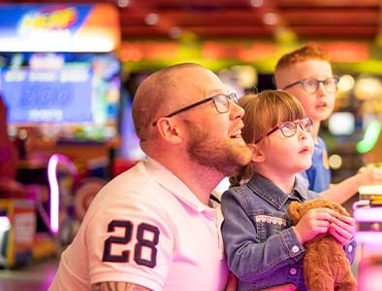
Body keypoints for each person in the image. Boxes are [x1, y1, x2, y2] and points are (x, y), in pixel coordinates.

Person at [49, 63, 251, 291]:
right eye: (219, 102)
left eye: (231, 98)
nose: (239, 110)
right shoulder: (137, 207)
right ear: (171, 130)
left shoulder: (213, 203)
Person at [221, 90, 356, 291]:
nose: (304, 134)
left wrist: (346, 241)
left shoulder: (316, 201)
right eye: (287, 127)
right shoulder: (239, 200)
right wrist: (297, 235)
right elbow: (241, 262)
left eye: (304, 125)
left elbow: (338, 268)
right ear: (256, 152)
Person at [274, 44, 382, 203]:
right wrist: (357, 182)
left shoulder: (318, 143)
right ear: (283, 95)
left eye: (328, 82)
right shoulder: (285, 147)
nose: (323, 92)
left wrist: (362, 180)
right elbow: (301, 206)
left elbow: (320, 192)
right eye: (310, 83)